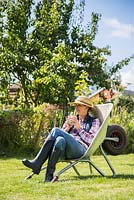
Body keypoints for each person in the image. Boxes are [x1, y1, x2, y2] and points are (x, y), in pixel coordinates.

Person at [22, 96, 101, 182]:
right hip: (66, 149)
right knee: (60, 140)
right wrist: (67, 128)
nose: (76, 107)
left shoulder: (94, 121)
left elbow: (91, 140)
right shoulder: (73, 119)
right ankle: (49, 176)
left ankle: (37, 163)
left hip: (81, 149)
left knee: (55, 130)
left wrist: (78, 127)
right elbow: (60, 134)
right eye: (76, 105)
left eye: (79, 105)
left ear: (86, 107)